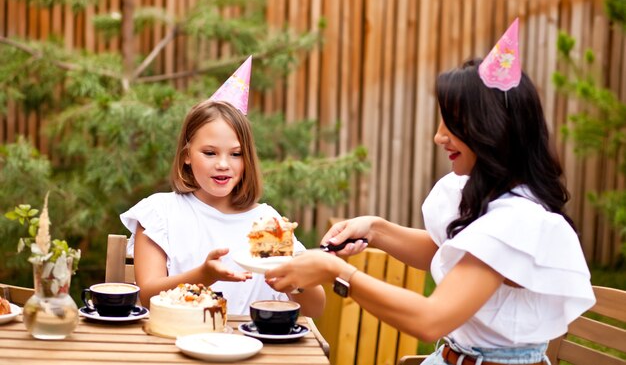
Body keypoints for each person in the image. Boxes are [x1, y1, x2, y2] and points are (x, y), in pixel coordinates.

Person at [265, 19, 595, 364]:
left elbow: (429, 319)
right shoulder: (490, 199)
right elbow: (448, 252)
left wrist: (337, 272)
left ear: (491, 130)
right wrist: (375, 229)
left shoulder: (516, 221)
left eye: (451, 124)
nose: (439, 137)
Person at [120, 59, 325, 317]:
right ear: (186, 155)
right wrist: (203, 275)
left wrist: (290, 277)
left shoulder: (267, 222)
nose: (223, 164)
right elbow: (148, 296)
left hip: (254, 345)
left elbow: (316, 309)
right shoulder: (160, 213)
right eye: (209, 152)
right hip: (178, 343)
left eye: (236, 154)